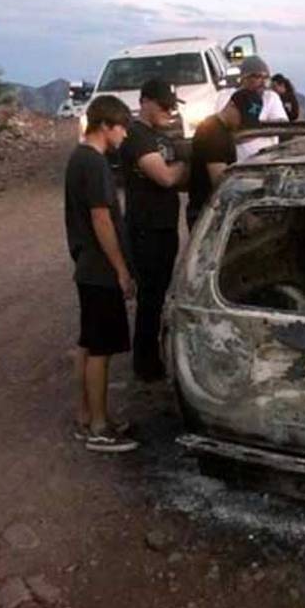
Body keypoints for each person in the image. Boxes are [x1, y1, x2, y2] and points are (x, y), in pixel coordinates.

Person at [64, 95, 138, 453]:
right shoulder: (93, 164)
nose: (124, 135)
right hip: (99, 269)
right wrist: (121, 269)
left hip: (88, 267)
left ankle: (87, 415)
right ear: (107, 126)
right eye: (122, 127)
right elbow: (101, 218)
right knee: (101, 350)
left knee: (88, 343)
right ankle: (98, 427)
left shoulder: (81, 159)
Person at [121, 79, 189, 383]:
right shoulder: (137, 136)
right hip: (147, 228)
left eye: (171, 106)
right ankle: (145, 364)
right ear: (145, 101)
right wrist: (181, 166)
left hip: (163, 226)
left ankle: (151, 357)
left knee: (159, 294)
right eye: (163, 105)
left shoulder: (157, 136)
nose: (169, 110)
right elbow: (164, 176)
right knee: (150, 299)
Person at [188, 89, 262, 229]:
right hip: (207, 215)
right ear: (232, 105)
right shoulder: (213, 133)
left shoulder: (221, 130)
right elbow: (220, 181)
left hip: (211, 211)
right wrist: (245, 214)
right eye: (242, 117)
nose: (242, 124)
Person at [216, 55, 289, 161]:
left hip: (267, 160)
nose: (263, 82)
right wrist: (263, 127)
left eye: (266, 77)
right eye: (257, 77)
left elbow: (281, 126)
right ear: (244, 78)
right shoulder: (227, 96)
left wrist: (248, 129)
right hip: (238, 164)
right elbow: (226, 132)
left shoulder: (270, 97)